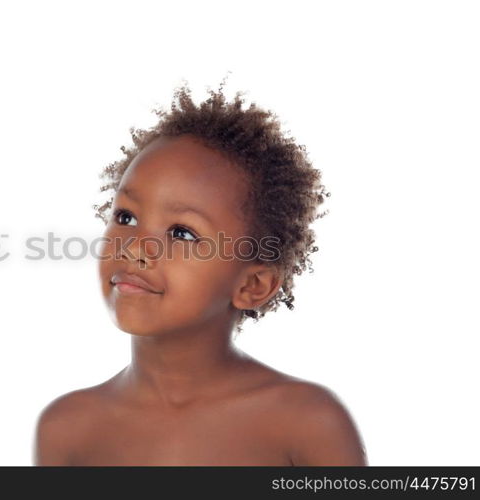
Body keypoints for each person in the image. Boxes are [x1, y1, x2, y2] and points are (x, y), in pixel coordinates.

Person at [34, 78, 367, 466]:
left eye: (181, 232)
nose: (136, 246)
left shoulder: (305, 424)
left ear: (253, 285)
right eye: (126, 216)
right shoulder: (68, 429)